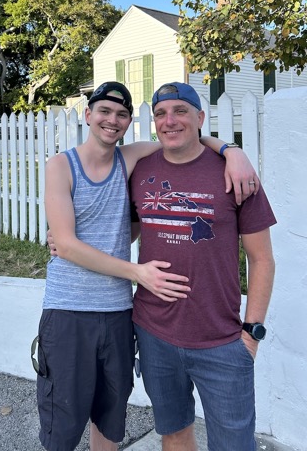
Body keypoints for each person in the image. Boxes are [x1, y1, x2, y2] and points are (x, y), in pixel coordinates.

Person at [35, 81, 260, 451]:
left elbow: (183, 138)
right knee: (63, 420)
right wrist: (137, 272)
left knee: (110, 417)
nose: (113, 120)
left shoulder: (130, 158)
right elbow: (69, 245)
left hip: (120, 312)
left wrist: (231, 150)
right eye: (104, 111)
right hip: (70, 308)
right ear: (88, 115)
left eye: (122, 114)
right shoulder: (61, 165)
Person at [130, 82, 276, 451]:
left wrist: (251, 333)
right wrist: (65, 237)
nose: (169, 121)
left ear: (200, 118)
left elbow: (262, 259)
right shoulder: (140, 171)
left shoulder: (236, 175)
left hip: (222, 340)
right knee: (174, 433)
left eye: (180, 111)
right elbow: (120, 229)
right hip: (154, 333)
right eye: (161, 113)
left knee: (233, 444)